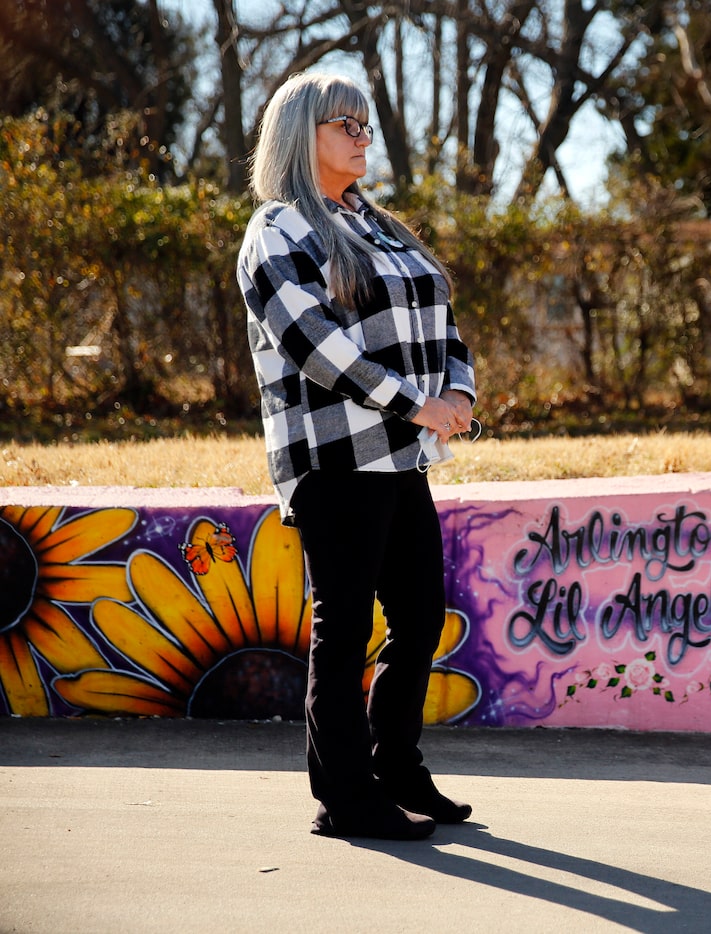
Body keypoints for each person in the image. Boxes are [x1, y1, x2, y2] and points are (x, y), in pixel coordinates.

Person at [237, 72, 477, 840]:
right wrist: (418, 403)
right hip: (334, 462)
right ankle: (344, 797)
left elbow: (443, 323)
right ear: (299, 135)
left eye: (366, 124)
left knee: (418, 620)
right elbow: (314, 346)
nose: (362, 136)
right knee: (343, 632)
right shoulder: (278, 230)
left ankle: (396, 768)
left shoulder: (379, 227)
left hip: (399, 459)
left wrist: (460, 393)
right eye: (345, 124)